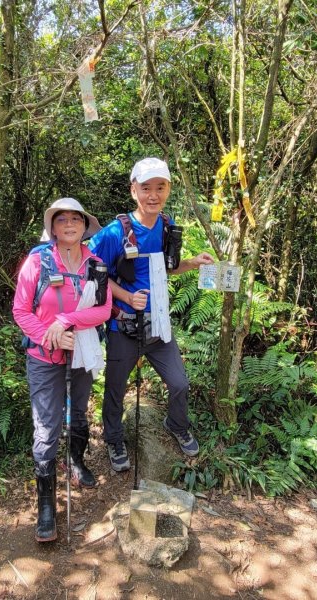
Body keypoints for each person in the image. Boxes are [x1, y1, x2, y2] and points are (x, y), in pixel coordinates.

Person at [88, 157, 215, 472]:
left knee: (180, 383)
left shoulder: (166, 226)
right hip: (124, 326)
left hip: (158, 324)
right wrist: (127, 296)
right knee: (116, 388)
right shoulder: (115, 232)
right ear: (134, 191)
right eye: (146, 188)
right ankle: (115, 439)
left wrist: (192, 263)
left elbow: (166, 269)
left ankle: (176, 423)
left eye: (160, 187)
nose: (153, 195)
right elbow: (93, 271)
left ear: (168, 190)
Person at [13, 198, 112, 542]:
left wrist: (66, 320)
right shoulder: (37, 261)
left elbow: (103, 309)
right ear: (53, 227)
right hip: (44, 358)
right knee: (46, 427)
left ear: (85, 226)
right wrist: (49, 337)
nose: (69, 224)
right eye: (62, 219)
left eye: (76, 219)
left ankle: (77, 461)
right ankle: (45, 505)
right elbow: (21, 310)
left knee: (79, 411)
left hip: (81, 352)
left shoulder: (96, 264)